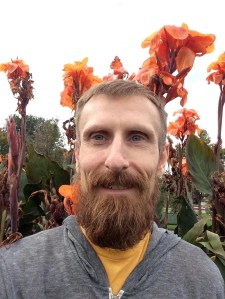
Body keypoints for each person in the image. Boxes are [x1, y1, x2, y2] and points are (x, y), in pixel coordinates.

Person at [0, 80, 224, 299]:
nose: (116, 160)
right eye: (98, 137)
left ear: (162, 157)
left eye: (137, 137)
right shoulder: (13, 273)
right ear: (77, 155)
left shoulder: (201, 279)